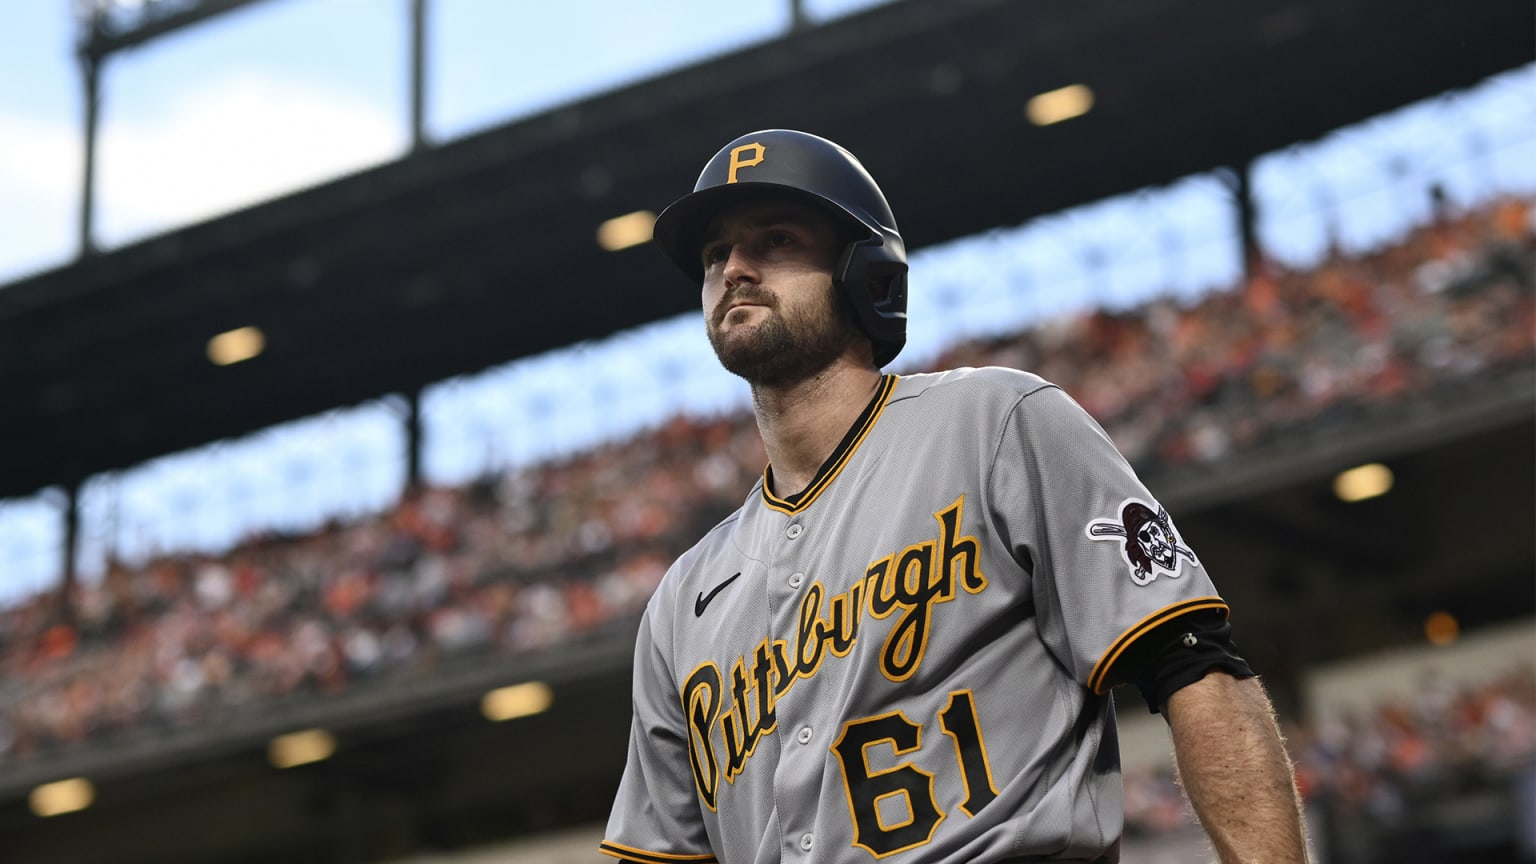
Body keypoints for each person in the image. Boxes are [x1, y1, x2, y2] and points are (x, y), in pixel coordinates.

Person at [600, 129, 1309, 864]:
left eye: (774, 240)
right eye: (716, 255)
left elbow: (1192, 664)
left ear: (864, 271)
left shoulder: (996, 422)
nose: (735, 269)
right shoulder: (682, 602)